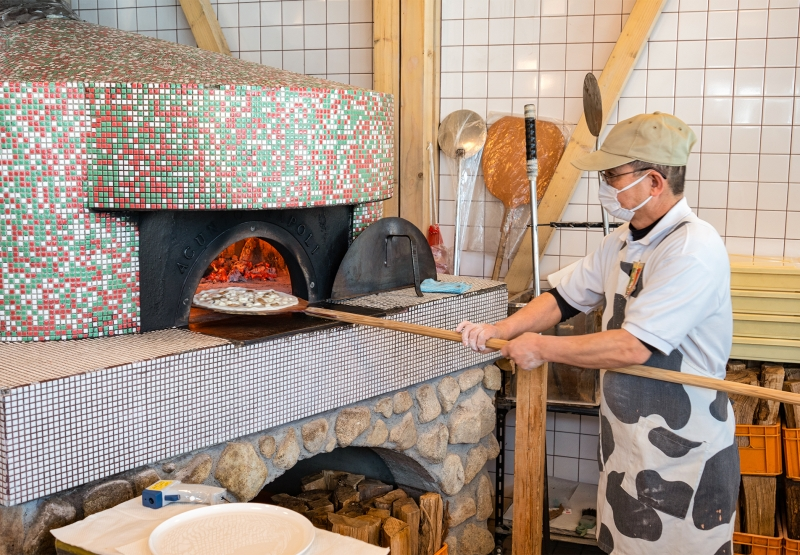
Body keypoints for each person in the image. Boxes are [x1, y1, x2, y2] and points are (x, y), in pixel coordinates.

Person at [457, 112, 738, 555]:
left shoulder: (693, 249)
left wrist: (541, 347)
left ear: (653, 181)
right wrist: (501, 328)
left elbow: (634, 345)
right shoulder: (625, 240)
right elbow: (566, 297)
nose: (605, 184)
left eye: (613, 175)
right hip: (629, 447)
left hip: (684, 457)